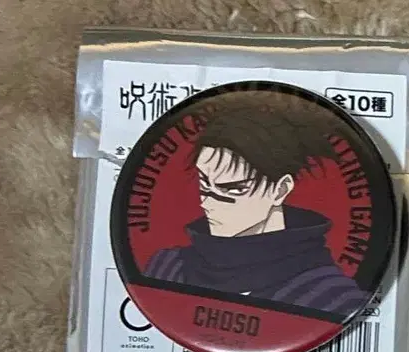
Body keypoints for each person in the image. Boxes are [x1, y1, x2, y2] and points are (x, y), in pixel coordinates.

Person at [144, 91, 366, 317]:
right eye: (204, 183)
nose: (206, 203)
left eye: (232, 188)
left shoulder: (330, 297)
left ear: (280, 190)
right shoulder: (168, 268)